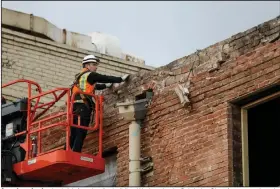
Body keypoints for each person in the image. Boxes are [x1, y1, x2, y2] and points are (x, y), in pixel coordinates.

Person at [68, 54, 129, 152]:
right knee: (81, 131)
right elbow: (105, 77)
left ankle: (66, 152)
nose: (96, 67)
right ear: (87, 65)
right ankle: (75, 154)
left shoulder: (79, 77)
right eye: (94, 64)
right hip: (83, 107)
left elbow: (92, 87)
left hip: (74, 107)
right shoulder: (90, 75)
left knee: (73, 132)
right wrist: (120, 79)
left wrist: (104, 86)